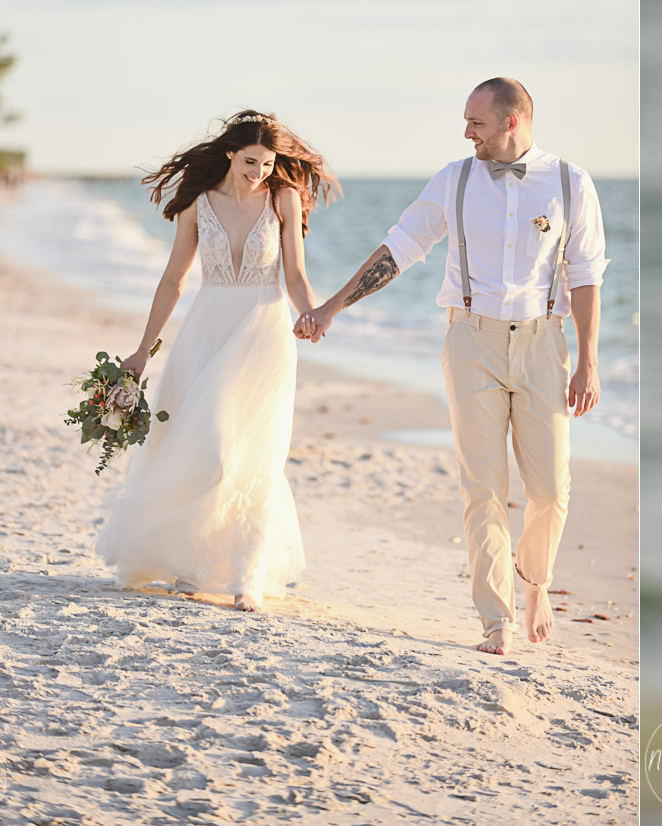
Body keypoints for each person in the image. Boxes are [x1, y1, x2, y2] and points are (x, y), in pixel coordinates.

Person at [294, 77, 607, 656]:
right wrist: (331, 307)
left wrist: (588, 363)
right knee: (482, 487)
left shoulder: (571, 183)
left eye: (477, 123)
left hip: (544, 344)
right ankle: (496, 618)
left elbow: (585, 274)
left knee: (550, 491)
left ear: (512, 122)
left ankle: (533, 581)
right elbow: (400, 248)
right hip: (470, 342)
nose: (467, 133)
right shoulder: (454, 180)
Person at [96, 110, 338, 612]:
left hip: (264, 333)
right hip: (206, 331)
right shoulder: (197, 206)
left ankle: (246, 576)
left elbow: (294, 272)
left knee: (254, 454)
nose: (259, 173)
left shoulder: (283, 199)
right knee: (206, 448)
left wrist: (312, 312)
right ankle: (191, 566)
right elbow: (173, 281)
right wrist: (143, 349)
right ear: (230, 153)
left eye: (267, 164)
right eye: (250, 162)